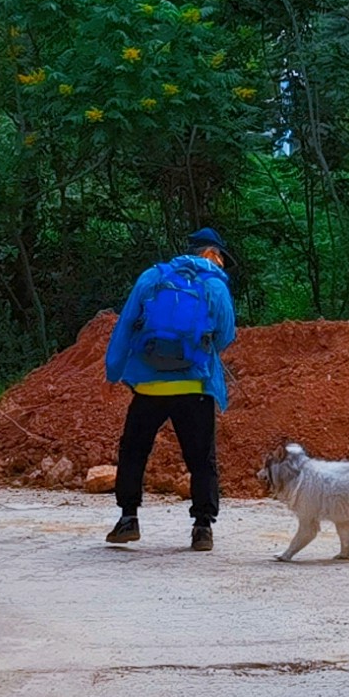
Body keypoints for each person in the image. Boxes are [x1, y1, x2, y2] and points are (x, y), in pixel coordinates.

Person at [103, 226, 235, 549]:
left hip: (149, 387)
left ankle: (128, 519)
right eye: (220, 257)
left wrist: (114, 370)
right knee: (201, 458)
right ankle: (202, 527)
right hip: (194, 386)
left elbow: (126, 325)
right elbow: (226, 335)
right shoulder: (215, 285)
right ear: (212, 254)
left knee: (134, 451)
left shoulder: (153, 277)